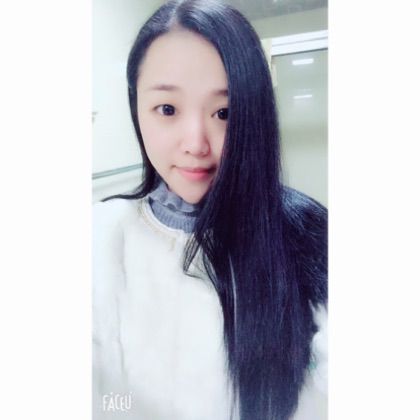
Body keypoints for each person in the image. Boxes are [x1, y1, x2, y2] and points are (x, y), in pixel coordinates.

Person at [92, 0, 328, 419]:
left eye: (224, 112)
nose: (196, 143)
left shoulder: (308, 233)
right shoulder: (98, 237)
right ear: (137, 109)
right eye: (167, 109)